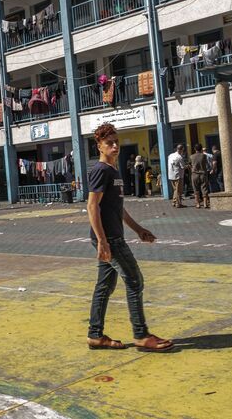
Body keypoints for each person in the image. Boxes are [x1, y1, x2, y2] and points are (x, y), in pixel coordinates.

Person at [85, 123, 173, 352]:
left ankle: (95, 335)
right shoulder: (101, 170)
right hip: (109, 239)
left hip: (112, 236)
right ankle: (141, 335)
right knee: (135, 281)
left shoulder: (113, 171)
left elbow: (118, 208)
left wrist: (138, 229)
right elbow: (92, 206)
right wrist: (102, 241)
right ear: (99, 146)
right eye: (109, 143)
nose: (115, 146)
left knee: (104, 286)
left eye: (116, 141)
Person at [189, 144, 210, 209]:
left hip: (194, 174)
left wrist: (192, 169)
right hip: (203, 174)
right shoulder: (204, 156)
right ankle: (205, 203)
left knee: (196, 189)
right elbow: (207, 164)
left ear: (195, 149)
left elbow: (190, 165)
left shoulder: (191, 156)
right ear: (201, 149)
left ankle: (197, 204)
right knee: (204, 189)